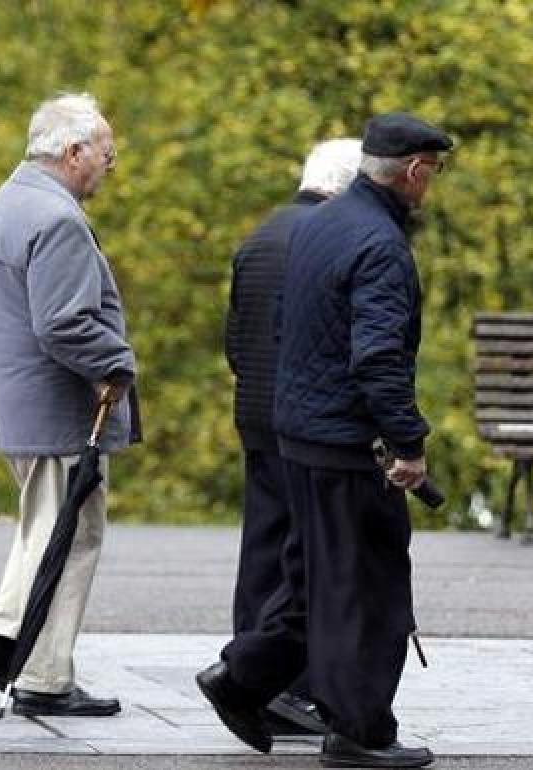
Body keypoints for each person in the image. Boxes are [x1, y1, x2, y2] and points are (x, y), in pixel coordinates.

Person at [196, 113, 451, 769]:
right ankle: (359, 731)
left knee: (313, 580)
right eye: (435, 172)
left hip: (299, 436)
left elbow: (284, 329)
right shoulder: (381, 246)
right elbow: (377, 360)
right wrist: (408, 443)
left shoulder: (316, 227)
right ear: (416, 171)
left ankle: (242, 678)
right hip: (346, 444)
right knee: (368, 587)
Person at [0, 93, 140, 717]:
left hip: (19, 406)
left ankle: (8, 639)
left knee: (46, 528)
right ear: (74, 151)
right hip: (58, 410)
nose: (110, 165)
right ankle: (37, 670)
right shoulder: (56, 218)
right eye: (106, 153)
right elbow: (63, 324)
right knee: (71, 535)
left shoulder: (3, 204)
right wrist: (117, 363)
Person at [223, 138, 361, 736]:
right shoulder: (326, 240)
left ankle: (246, 673)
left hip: (254, 410)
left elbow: (235, 337)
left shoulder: (260, 235)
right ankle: (284, 686)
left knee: (262, 548)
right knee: (306, 557)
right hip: (303, 422)